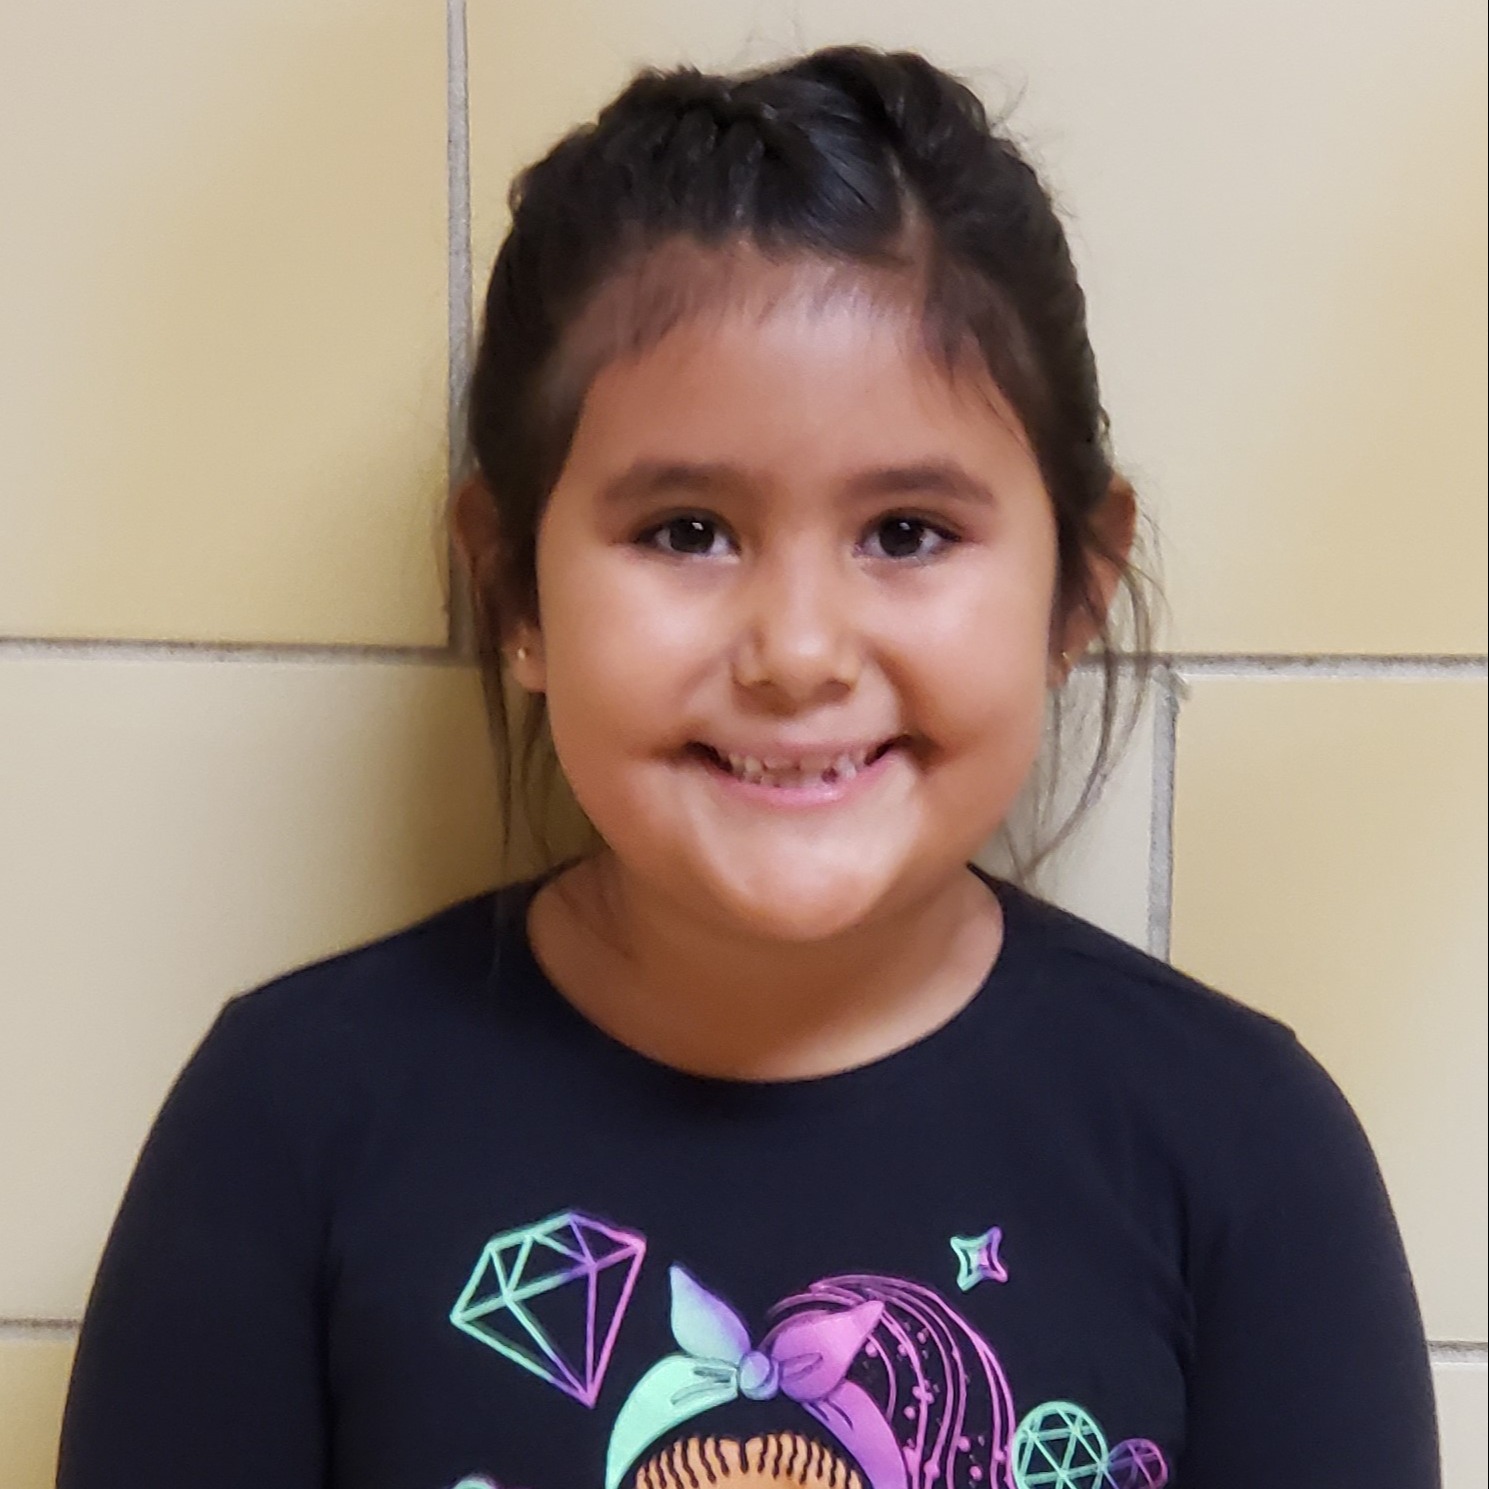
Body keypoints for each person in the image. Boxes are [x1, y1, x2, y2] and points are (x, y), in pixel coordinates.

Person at [57, 45, 1438, 1489]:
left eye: (905, 530)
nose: (794, 650)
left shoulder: (1245, 1156)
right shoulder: (285, 1124)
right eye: (686, 530)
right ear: (513, 591)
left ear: (1072, 592)